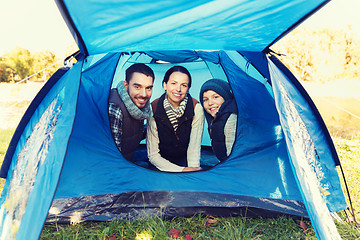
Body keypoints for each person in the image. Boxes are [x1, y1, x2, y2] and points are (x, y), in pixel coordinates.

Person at [147, 66, 204, 172]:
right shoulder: (153, 108)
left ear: (188, 88)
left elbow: (194, 149)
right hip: (160, 164)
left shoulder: (196, 108)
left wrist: (192, 170)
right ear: (165, 85)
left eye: (184, 85)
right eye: (174, 83)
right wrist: (181, 170)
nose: (178, 89)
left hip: (185, 162)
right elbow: (153, 155)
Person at [108, 63, 154, 161]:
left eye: (148, 88)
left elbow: (131, 134)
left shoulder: (139, 106)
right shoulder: (115, 109)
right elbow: (112, 157)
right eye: (137, 87)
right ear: (126, 85)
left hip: (129, 156)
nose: (144, 94)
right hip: (116, 166)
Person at [199, 79, 237, 161]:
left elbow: (233, 157)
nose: (210, 103)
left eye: (215, 97)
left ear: (226, 97)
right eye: (205, 99)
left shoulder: (231, 119)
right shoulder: (216, 120)